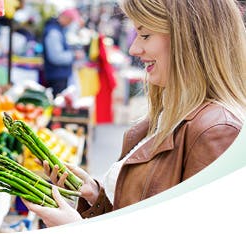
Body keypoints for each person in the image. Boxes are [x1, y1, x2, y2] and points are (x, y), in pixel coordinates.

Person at [23, 0, 246, 227]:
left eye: (145, 35)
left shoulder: (218, 131)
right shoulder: (168, 115)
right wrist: (96, 196)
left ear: (188, 40)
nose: (134, 49)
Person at [42, 8, 85, 98]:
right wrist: (74, 55)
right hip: (56, 78)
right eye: (70, 20)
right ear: (65, 18)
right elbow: (56, 57)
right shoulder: (53, 32)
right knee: (57, 105)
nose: (70, 23)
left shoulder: (58, 30)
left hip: (58, 76)